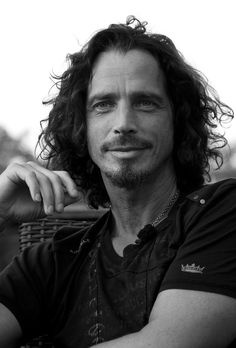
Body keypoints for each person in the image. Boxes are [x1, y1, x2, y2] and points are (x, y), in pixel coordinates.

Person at [0, 16, 236, 348]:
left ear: (178, 122)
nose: (123, 123)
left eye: (145, 103)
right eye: (104, 105)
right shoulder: (54, 262)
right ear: (82, 128)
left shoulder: (222, 213)